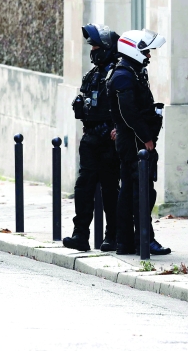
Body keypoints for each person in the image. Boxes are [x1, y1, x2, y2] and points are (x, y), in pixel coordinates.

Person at [108, 29, 171, 256]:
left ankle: (128, 242)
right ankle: (144, 240)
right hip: (136, 142)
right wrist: (146, 137)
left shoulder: (131, 72)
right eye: (145, 51)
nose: (148, 56)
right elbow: (129, 113)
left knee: (131, 192)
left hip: (132, 139)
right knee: (140, 192)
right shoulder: (124, 75)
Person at [63, 24, 120, 252]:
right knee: (84, 187)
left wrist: (118, 128)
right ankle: (80, 235)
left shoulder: (117, 73)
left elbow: (125, 106)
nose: (93, 50)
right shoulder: (92, 75)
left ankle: (113, 235)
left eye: (97, 46)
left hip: (109, 139)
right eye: (92, 46)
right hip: (90, 138)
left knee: (109, 189)